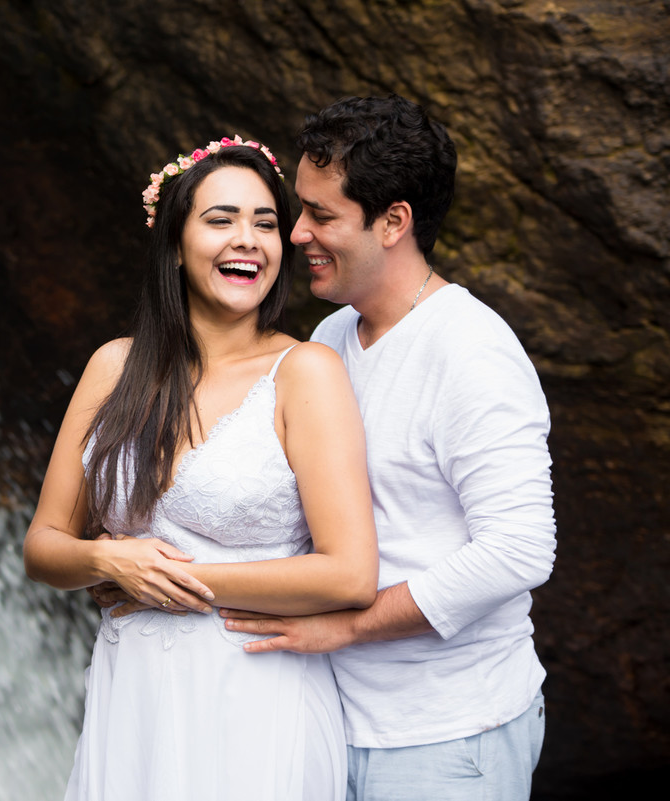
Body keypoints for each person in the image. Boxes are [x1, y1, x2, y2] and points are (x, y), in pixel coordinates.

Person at [221, 95, 557, 800]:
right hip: (329, 720)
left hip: (448, 735)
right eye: (300, 209)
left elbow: (521, 548)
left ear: (394, 221)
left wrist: (347, 625)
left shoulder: (472, 352)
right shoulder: (331, 338)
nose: (297, 231)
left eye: (322, 214)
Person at [24, 136, 379, 801]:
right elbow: (43, 546)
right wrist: (107, 562)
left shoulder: (304, 373)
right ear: (175, 242)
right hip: (132, 695)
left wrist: (160, 578)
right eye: (221, 220)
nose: (248, 240)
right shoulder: (114, 368)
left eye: (265, 223)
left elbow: (351, 573)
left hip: (256, 695)